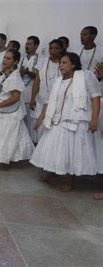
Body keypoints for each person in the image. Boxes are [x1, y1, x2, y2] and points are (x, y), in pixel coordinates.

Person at [30, 53, 102, 192]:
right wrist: (40, 119)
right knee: (54, 149)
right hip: (57, 120)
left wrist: (94, 119)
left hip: (76, 120)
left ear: (73, 64)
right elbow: (49, 101)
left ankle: (69, 181)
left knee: (70, 152)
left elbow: (95, 98)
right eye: (60, 63)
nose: (60, 65)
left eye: (64, 62)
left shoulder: (85, 76)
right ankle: (50, 172)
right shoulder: (58, 81)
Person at [30, 39, 63, 143]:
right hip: (41, 98)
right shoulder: (43, 61)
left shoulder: (64, 63)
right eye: (51, 48)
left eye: (56, 48)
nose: (53, 50)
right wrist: (32, 98)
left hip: (56, 100)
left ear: (61, 49)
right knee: (38, 126)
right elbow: (36, 81)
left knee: (51, 126)